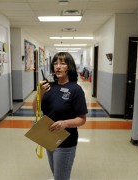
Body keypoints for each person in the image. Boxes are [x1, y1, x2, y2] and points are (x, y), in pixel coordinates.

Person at [32, 52, 88, 180]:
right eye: (56, 63)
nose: (58, 66)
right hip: (48, 137)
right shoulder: (49, 87)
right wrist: (39, 93)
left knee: (61, 177)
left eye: (62, 63)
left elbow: (82, 119)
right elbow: (36, 109)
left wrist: (65, 123)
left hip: (66, 141)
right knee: (56, 174)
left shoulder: (76, 90)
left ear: (69, 67)